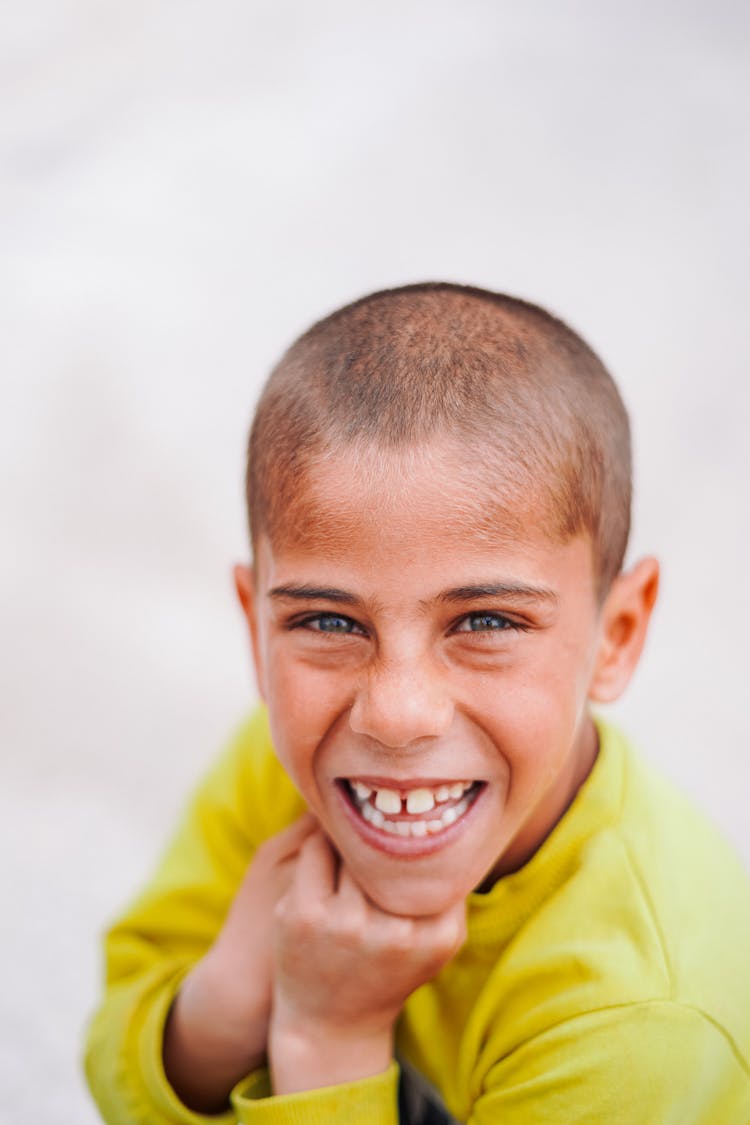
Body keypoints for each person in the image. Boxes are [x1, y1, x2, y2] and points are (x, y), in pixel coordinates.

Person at [84, 283, 750, 1123]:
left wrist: (329, 1036)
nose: (394, 716)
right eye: (330, 620)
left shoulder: (636, 1027)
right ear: (257, 627)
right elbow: (116, 1065)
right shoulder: (287, 756)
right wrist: (225, 1002)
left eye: (485, 621)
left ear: (615, 635)